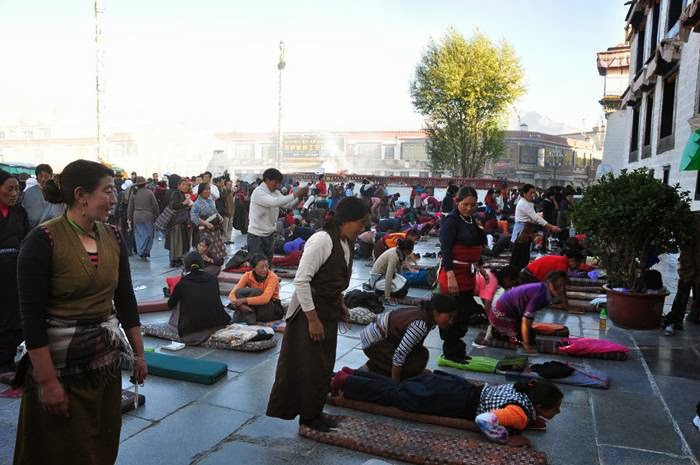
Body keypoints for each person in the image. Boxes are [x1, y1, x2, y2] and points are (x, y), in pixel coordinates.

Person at [14, 159, 147, 464]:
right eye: (108, 191)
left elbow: (126, 301)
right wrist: (47, 384)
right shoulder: (42, 241)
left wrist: (139, 354)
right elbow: (31, 319)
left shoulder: (113, 236)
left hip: (103, 368)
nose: (114, 199)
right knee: (57, 451)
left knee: (99, 447)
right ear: (80, 195)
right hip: (60, 371)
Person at [267, 197, 369, 432]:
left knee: (323, 366)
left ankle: (314, 411)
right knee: (307, 367)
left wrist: (341, 304)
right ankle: (307, 416)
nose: (362, 229)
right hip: (308, 313)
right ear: (347, 219)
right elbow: (302, 281)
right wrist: (313, 320)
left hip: (328, 310)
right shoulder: (322, 240)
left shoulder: (345, 242)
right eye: (360, 223)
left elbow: (333, 281)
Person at [331, 369, 562, 446]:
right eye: (555, 409)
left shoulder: (522, 389)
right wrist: (505, 439)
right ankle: (347, 382)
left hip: (451, 386)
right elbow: (483, 420)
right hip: (452, 400)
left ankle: (353, 374)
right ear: (539, 405)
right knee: (396, 396)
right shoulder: (519, 415)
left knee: (399, 388)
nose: (558, 413)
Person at [437, 186, 487, 363]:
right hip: (453, 274)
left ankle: (457, 349)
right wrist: (450, 276)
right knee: (453, 315)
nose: (469, 208)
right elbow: (446, 250)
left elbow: (476, 246)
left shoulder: (471, 220)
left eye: (473, 205)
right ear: (457, 202)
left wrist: (480, 267)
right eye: (466, 204)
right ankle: (450, 352)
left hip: (468, 274)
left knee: (464, 313)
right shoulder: (451, 221)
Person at [360, 294, 457, 381]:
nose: (451, 322)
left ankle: (380, 365)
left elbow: (413, 345)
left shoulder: (426, 314)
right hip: (373, 342)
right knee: (413, 365)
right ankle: (372, 368)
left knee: (420, 354)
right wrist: (396, 385)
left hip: (380, 336)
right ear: (436, 312)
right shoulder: (420, 325)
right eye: (449, 317)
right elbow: (399, 355)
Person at [488, 271, 569, 353]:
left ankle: (504, 330)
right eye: (559, 285)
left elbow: (528, 316)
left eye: (563, 286)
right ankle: (496, 332)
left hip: (509, 314)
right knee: (526, 340)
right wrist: (526, 345)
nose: (562, 289)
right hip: (499, 316)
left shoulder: (543, 289)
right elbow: (526, 320)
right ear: (550, 283)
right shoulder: (540, 294)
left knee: (530, 335)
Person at [0, 171, 30, 377]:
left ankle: (8, 357)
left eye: (17, 189)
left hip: (16, 270)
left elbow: (26, 239)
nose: (14, 194)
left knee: (14, 315)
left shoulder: (20, 212)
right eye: (9, 189)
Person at [167, 251, 231, 343]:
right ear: (202, 264)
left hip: (193, 328)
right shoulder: (213, 279)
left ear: (185, 266)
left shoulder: (182, 283)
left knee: (179, 303)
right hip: (218, 322)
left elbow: (170, 304)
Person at [248, 168, 307, 263]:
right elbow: (274, 202)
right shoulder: (259, 192)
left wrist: (299, 198)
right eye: (275, 182)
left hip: (270, 235)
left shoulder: (276, 193)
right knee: (258, 267)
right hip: (256, 236)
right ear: (267, 180)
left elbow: (289, 205)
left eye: (279, 183)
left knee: (268, 265)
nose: (277, 185)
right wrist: (295, 194)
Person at [663, 210, 700, 334]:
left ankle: (685, 317)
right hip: (689, 263)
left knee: (686, 288)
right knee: (685, 287)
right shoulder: (690, 218)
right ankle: (679, 318)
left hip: (690, 263)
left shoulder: (690, 218)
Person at [509, 184, 561, 272]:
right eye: (531, 193)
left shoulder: (528, 203)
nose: (533, 195)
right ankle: (513, 275)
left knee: (523, 256)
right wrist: (551, 226)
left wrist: (539, 215)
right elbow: (535, 217)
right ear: (524, 194)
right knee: (519, 257)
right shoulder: (523, 203)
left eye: (534, 193)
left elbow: (532, 216)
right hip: (521, 232)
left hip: (526, 231)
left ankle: (517, 274)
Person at [228, 254, 284, 324]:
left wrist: (244, 300)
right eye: (261, 267)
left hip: (273, 310)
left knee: (257, 292)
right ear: (253, 268)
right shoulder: (247, 275)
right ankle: (246, 317)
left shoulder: (273, 277)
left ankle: (248, 319)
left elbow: (265, 299)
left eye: (267, 266)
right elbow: (232, 294)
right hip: (256, 308)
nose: (265, 269)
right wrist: (240, 305)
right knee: (239, 292)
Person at [127, 176, 160, 261]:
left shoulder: (134, 193)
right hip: (148, 216)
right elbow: (155, 205)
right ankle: (146, 251)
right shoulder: (149, 193)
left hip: (137, 216)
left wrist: (129, 218)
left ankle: (141, 252)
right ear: (145, 184)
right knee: (149, 235)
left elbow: (130, 207)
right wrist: (157, 215)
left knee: (139, 236)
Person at [191, 183, 226, 260]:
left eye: (209, 189)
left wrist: (220, 217)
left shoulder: (210, 201)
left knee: (217, 249)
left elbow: (215, 211)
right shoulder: (197, 203)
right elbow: (194, 217)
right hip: (204, 231)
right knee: (207, 250)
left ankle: (216, 264)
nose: (208, 191)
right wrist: (206, 223)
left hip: (215, 229)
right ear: (200, 191)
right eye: (205, 189)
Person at [21, 164, 63, 228]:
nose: (43, 179)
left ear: (51, 177)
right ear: (37, 177)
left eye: (46, 176)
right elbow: (28, 215)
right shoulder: (29, 192)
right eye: (40, 176)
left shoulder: (57, 193)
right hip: (33, 231)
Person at [165, 176, 193, 268]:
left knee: (182, 242)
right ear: (179, 186)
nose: (185, 186)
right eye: (183, 184)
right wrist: (183, 203)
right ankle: (174, 260)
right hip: (176, 222)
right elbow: (173, 205)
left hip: (183, 221)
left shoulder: (185, 194)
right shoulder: (176, 194)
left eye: (187, 185)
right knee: (176, 242)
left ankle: (179, 259)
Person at [519, 250, 585, 284]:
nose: (578, 267)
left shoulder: (561, 259)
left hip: (527, 274)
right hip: (528, 278)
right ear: (572, 260)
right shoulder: (563, 266)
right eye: (578, 264)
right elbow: (556, 285)